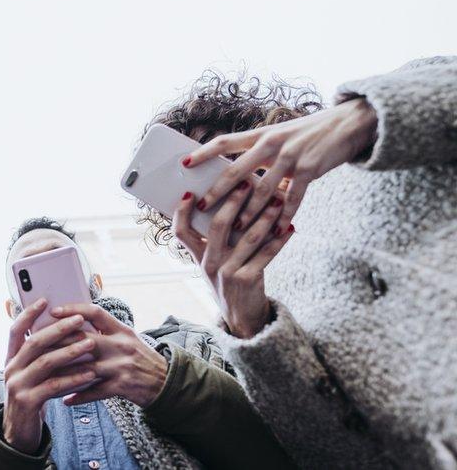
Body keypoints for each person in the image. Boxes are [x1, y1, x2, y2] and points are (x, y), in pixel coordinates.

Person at [141, 62, 457, 467]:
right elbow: (336, 455)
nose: (217, 189)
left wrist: (368, 116)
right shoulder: (263, 306)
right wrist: (251, 326)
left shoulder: (374, 142)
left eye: (218, 156)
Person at [0, 217, 292, 469]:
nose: (45, 276)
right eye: (27, 272)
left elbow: (283, 451)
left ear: (95, 282)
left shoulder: (187, 345)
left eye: (57, 258)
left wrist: (167, 383)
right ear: (14, 309)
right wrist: (11, 440)